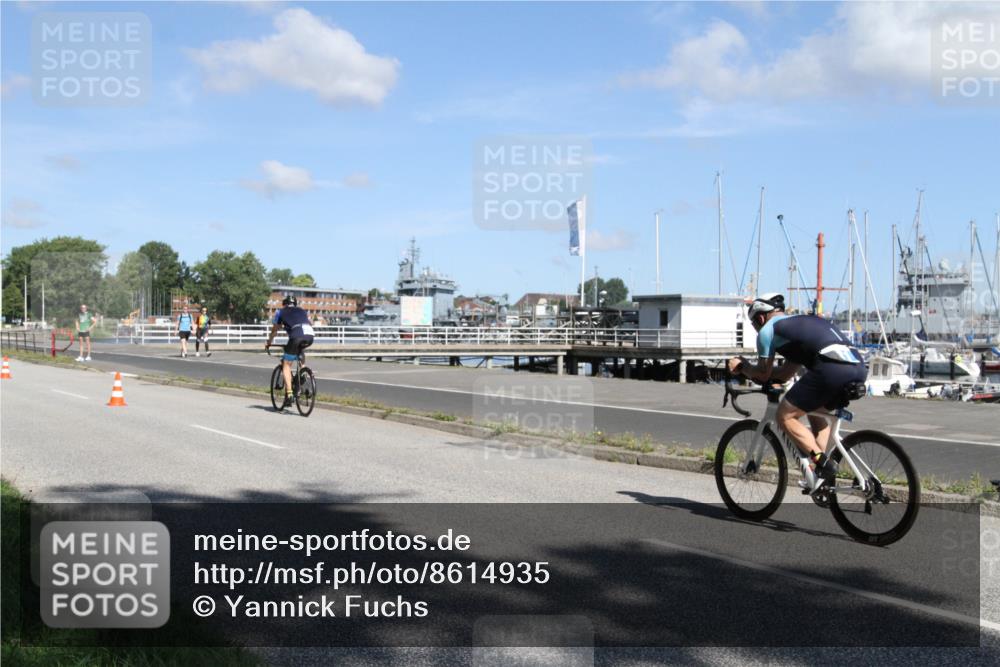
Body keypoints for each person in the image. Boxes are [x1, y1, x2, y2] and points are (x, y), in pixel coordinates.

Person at [727, 293, 867, 492]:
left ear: (760, 318)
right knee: (815, 412)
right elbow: (784, 374)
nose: (756, 328)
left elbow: (763, 374)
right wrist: (764, 375)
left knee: (784, 416)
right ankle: (818, 475)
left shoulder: (768, 330)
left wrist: (742, 367)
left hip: (831, 369)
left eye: (753, 324)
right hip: (858, 368)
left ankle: (823, 464)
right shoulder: (799, 328)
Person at [265, 296, 314, 408]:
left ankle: (289, 393)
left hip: (295, 337)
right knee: (300, 352)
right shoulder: (302, 310)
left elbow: (274, 330)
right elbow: (308, 322)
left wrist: (269, 342)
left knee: (286, 364)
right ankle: (303, 374)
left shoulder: (280, 312)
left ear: (284, 304)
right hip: (310, 336)